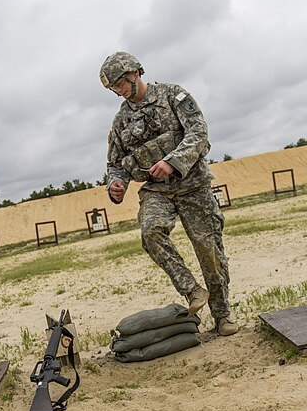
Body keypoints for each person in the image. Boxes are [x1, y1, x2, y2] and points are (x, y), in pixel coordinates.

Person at [99, 51, 238, 336]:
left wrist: (172, 162)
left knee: (209, 251)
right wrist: (116, 184)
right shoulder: (120, 121)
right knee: (150, 232)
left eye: (120, 85)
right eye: (114, 88)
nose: (118, 92)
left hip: (193, 185)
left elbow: (198, 133)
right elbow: (115, 164)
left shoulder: (173, 95)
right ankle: (192, 290)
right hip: (156, 192)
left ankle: (222, 315)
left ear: (134, 74)